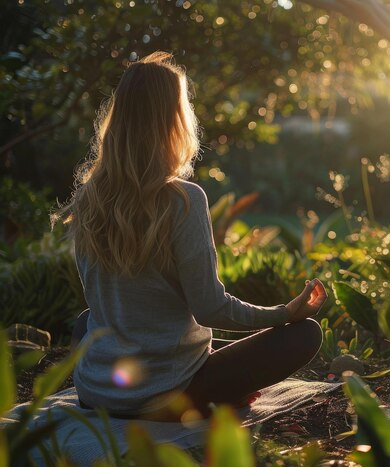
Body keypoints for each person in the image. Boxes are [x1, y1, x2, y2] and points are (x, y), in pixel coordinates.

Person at [55, 51, 326, 422]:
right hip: (165, 390)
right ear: (173, 120)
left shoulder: (89, 198)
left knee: (88, 320)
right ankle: (189, 401)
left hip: (95, 393)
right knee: (304, 334)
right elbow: (210, 308)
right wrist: (283, 313)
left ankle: (159, 392)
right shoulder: (183, 200)